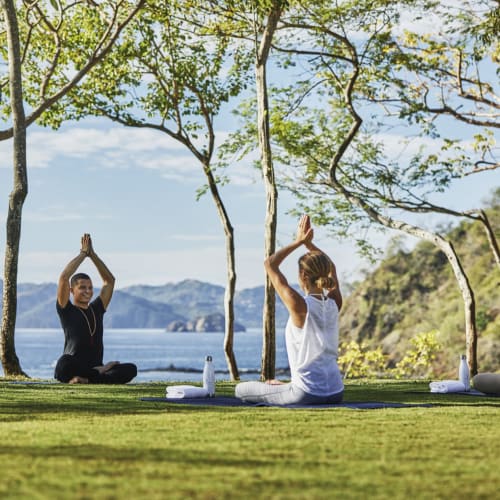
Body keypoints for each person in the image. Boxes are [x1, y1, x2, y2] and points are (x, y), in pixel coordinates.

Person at [235, 215, 344, 405]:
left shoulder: (301, 306)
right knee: (274, 385)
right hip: (336, 391)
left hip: (306, 394)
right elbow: (331, 266)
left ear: (303, 275)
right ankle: (279, 386)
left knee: (241, 390)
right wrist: (309, 245)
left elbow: (270, 264)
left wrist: (299, 241)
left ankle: (279, 388)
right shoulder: (334, 303)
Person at [54, 234, 137, 384]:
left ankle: (88, 378)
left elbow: (109, 281)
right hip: (74, 366)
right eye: (82, 287)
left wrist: (93, 255)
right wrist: (83, 254)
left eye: (90, 288)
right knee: (63, 363)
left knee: (131, 369)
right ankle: (96, 375)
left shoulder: (97, 309)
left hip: (95, 366)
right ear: (72, 290)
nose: (88, 291)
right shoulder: (66, 309)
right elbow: (64, 278)